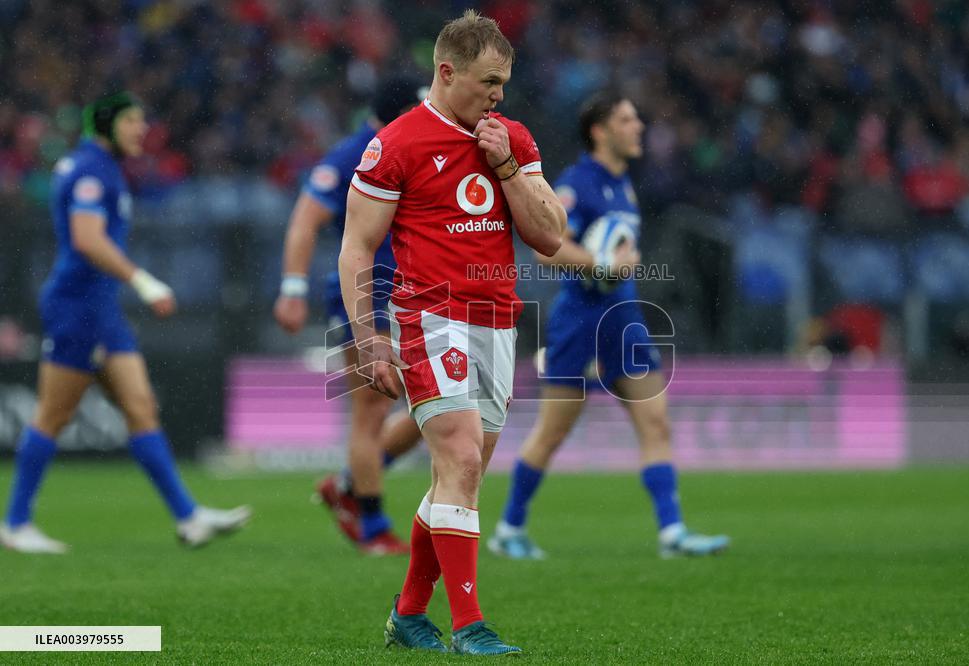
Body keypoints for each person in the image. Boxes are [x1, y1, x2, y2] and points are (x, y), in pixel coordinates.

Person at [339, 11, 565, 655]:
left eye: (504, 83)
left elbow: (549, 236)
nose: (498, 95)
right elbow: (356, 247)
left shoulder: (511, 137)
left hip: (497, 319)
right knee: (462, 459)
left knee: (457, 477)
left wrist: (508, 169)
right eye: (488, 81)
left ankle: (408, 614)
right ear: (446, 71)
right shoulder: (398, 143)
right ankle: (470, 624)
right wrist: (369, 336)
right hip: (427, 316)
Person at [0, 92, 251, 554]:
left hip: (102, 310)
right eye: (132, 121)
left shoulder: (104, 168)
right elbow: (87, 239)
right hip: (75, 308)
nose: (142, 130)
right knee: (53, 415)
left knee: (140, 407)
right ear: (106, 125)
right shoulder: (89, 170)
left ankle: (188, 516)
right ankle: (15, 522)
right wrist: (143, 280)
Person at [488, 91, 730, 560]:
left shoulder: (624, 185)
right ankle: (509, 528)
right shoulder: (578, 183)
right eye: (626, 119)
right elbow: (546, 247)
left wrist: (619, 267)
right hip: (581, 319)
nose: (638, 126)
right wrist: (602, 263)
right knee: (553, 431)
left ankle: (672, 532)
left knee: (656, 421)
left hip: (625, 316)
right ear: (600, 131)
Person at [273, 77, 426, 556]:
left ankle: (346, 483)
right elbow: (305, 217)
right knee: (373, 409)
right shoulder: (352, 153)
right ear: (399, 112)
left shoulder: (409, 147)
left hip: (412, 293)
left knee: (432, 404)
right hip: (364, 295)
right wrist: (292, 288)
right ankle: (373, 527)